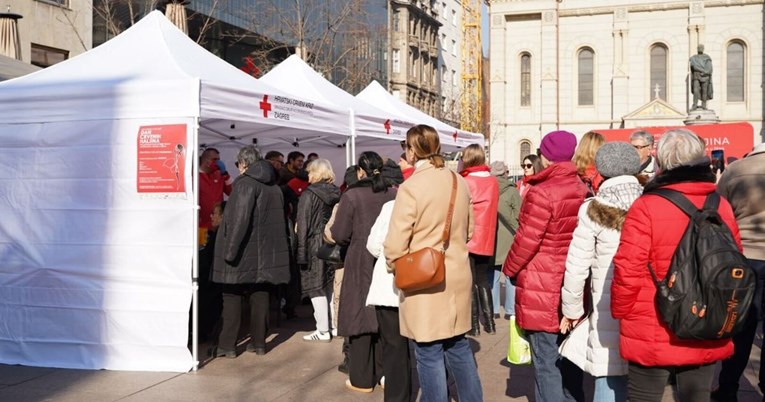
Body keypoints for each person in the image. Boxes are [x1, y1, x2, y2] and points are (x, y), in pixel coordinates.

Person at [611, 128, 739, 402]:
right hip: (706, 315)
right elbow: (734, 261)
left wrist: (621, 310)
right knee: (698, 395)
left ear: (662, 162)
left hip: (652, 318)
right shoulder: (721, 205)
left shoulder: (646, 206)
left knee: (643, 396)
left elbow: (628, 268)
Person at [385, 124, 483, 402]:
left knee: (427, 352)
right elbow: (470, 231)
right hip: (457, 273)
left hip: (425, 278)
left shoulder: (411, 187)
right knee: (458, 346)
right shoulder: (458, 181)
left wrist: (396, 265)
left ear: (413, 150)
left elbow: (395, 243)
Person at [503, 130, 589, 402]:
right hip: (574, 278)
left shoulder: (541, 192)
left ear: (546, 157)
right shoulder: (582, 187)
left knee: (546, 360)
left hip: (543, 281)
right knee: (570, 358)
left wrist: (509, 269)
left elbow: (526, 241)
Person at [560, 142, 643, 402]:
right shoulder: (652, 202)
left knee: (609, 372)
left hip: (607, 303)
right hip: (646, 303)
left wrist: (572, 310)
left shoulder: (593, 208)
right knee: (643, 380)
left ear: (603, 171)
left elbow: (577, 264)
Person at [211, 146, 291, 357]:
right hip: (265, 254)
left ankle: (226, 345)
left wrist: (230, 251)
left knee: (232, 296)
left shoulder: (245, 184)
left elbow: (239, 220)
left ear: (244, 164)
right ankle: (259, 344)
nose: (237, 168)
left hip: (242, 253)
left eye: (238, 164)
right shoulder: (274, 187)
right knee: (260, 295)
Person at [331, 151, 397, 393]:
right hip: (388, 258)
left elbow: (340, 233)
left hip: (360, 258)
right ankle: (383, 374)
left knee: (359, 315)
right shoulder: (393, 193)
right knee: (384, 314)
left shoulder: (352, 196)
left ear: (360, 171)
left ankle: (361, 378)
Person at [712, 142, 765, 402]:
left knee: (741, 325)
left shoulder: (736, 170)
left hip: (746, 256)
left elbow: (720, 212)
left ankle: (728, 387)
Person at [365, 166, 411, 402]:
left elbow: (373, 245)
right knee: (423, 347)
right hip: (422, 283)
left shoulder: (390, 207)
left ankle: (397, 397)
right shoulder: (429, 206)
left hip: (390, 285)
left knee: (393, 346)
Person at [296, 159, 341, 342]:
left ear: (316, 173)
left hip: (313, 245)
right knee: (329, 286)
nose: (307, 175)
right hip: (331, 243)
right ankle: (333, 325)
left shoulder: (309, 194)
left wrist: (300, 252)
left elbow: (303, 224)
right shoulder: (338, 192)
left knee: (315, 288)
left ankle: (322, 329)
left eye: (309, 172)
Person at [460, 144, 499, 336]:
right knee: (483, 280)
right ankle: (490, 323)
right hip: (487, 237)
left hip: (469, 236)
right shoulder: (493, 181)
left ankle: (474, 325)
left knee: (470, 282)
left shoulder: (466, 181)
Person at [489, 161, 521, 321]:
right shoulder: (512, 191)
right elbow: (519, 214)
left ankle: (494, 309)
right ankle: (510, 310)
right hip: (510, 237)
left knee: (493, 274)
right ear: (506, 173)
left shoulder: (487, 189)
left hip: (491, 237)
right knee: (509, 274)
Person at [198, 148, 232, 229]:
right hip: (201, 224)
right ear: (206, 160)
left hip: (218, 224)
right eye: (215, 159)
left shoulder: (219, 174)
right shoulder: (194, 176)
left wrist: (225, 175)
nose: (218, 162)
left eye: (219, 160)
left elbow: (232, 192)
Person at [690, 44, 713, 110]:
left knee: (704, 91)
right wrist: (696, 68)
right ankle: (695, 104)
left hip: (705, 76)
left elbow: (709, 69)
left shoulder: (707, 57)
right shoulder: (693, 58)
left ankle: (704, 105)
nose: (700, 48)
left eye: (701, 47)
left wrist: (704, 72)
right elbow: (693, 67)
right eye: (698, 47)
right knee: (695, 90)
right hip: (696, 76)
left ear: (703, 49)